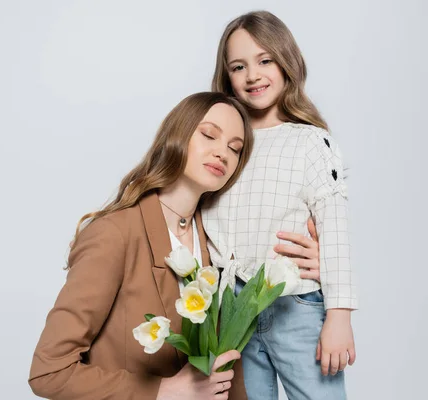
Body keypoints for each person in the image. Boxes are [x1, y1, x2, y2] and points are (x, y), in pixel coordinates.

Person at [29, 92, 253, 400]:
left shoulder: (219, 242)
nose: (222, 153)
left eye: (234, 148)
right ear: (178, 134)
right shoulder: (116, 233)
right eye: (209, 135)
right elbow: (49, 372)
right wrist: (162, 391)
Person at [203, 10, 357, 399]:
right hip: (231, 311)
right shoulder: (223, 146)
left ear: (287, 61)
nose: (253, 75)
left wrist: (338, 316)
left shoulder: (310, 142)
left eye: (265, 60)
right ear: (228, 77)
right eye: (239, 66)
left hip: (295, 306)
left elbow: (334, 230)